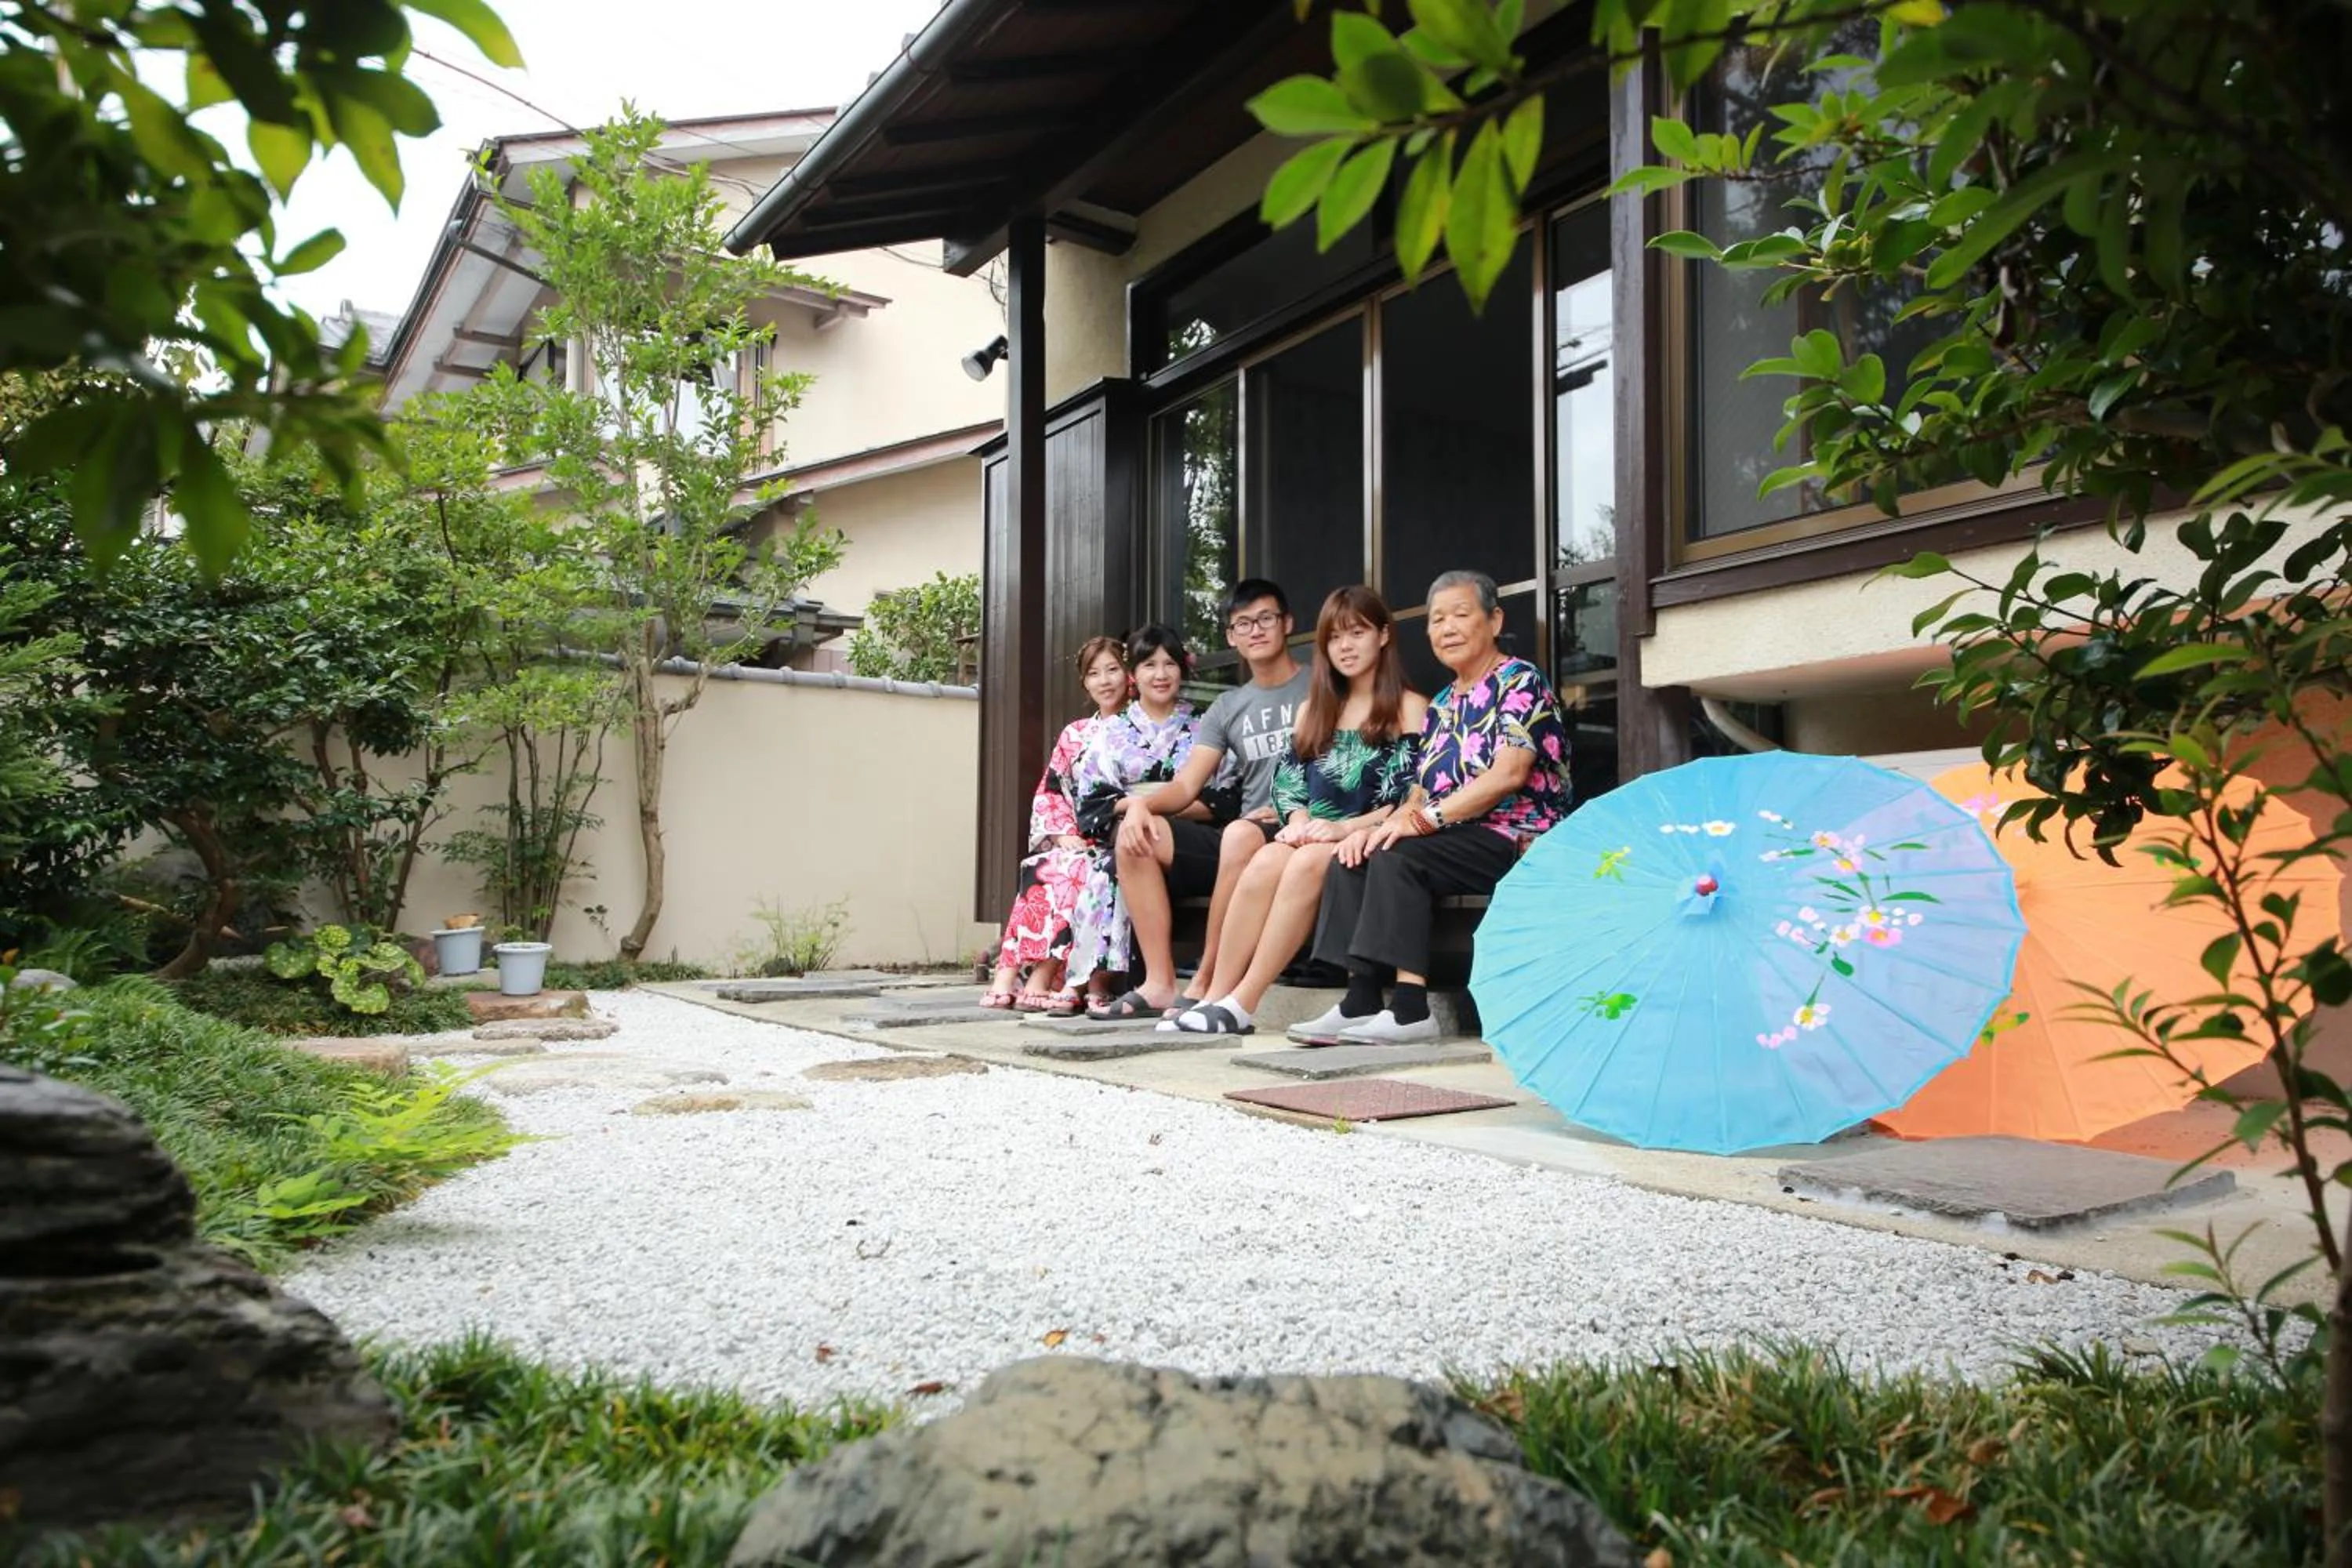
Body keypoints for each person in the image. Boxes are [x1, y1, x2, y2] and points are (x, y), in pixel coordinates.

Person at [1296, 569, 1571, 1044]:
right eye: (1437, 619)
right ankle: (1359, 999)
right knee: (1355, 855)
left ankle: (1409, 1009)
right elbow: (1423, 789)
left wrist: (1423, 823)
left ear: (1495, 619)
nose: (1448, 628)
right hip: (1459, 833)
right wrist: (1389, 823)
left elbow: (1509, 773)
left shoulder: (1519, 680)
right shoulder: (1444, 702)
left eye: (1462, 615)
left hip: (1518, 834)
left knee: (1401, 857)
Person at [1163, 586, 1426, 1036]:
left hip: (1365, 837)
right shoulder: (1314, 709)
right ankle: (1216, 995)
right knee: (1266, 857)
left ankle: (1243, 1004)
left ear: (1383, 636)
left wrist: (1341, 828)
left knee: (1303, 860)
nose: (1345, 646)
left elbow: (1407, 799)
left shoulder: (1409, 707)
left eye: (1357, 633)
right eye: (1334, 637)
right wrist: (1301, 822)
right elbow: (1287, 785)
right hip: (1313, 834)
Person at [1098, 579, 1310, 1020]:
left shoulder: (1321, 685)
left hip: (1299, 827)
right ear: (1231, 637)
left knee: (1238, 834)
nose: (1256, 631)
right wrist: (1140, 806)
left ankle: (1208, 981)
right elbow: (1185, 786)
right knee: (1136, 837)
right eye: (1243, 624)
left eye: (1266, 619)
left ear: (1287, 623)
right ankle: (1159, 981)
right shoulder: (1228, 705)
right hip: (1248, 833)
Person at [1062, 625, 1227, 1005]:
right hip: (1130, 832)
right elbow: (1093, 800)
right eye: (1149, 664)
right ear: (1133, 674)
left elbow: (1224, 797)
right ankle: (1112, 980)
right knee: (1118, 853)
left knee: (1138, 837)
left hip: (1193, 836)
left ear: (1183, 671)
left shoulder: (1204, 725)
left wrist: (1150, 808)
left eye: (1170, 663)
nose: (1161, 674)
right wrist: (1134, 810)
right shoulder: (1112, 730)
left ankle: (1118, 983)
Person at [982, 635, 1132, 1014]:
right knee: (1044, 864)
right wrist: (1063, 833)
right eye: (1094, 674)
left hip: (1114, 838)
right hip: (1075, 837)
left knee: (1076, 870)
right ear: (1084, 683)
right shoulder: (1075, 733)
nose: (1105, 681)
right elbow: (1051, 790)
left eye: (1113, 669)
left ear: (1129, 673)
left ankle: (1042, 976)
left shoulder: (1140, 728)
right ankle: (1008, 970)